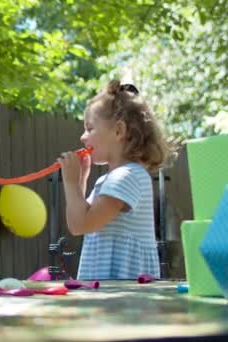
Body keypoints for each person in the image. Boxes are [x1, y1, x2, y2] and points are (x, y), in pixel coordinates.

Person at [58, 80, 170, 280]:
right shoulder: (109, 180)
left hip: (124, 295)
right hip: (108, 291)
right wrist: (81, 181)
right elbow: (79, 222)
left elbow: (82, 224)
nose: (83, 137)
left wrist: (71, 183)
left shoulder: (127, 176)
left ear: (119, 131)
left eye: (90, 129)